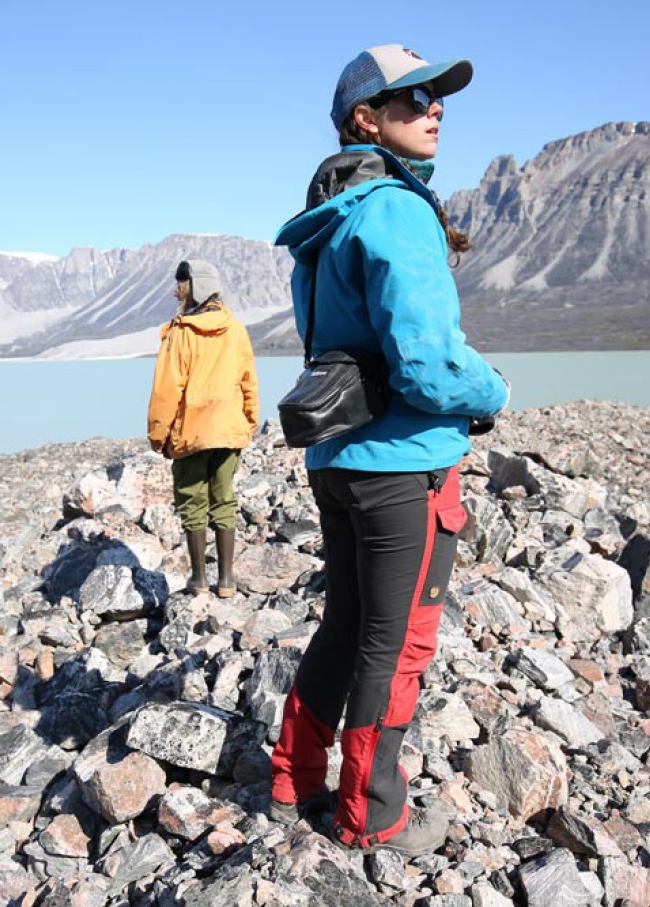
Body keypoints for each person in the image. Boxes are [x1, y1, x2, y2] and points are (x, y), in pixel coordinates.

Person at [268, 45, 510, 856]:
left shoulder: (328, 219)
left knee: (345, 625)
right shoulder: (399, 211)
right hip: (404, 464)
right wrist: (494, 391)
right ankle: (372, 813)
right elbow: (429, 364)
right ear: (366, 119)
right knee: (396, 641)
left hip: (337, 461)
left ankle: (292, 778)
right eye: (414, 97)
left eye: (438, 97)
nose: (435, 108)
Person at [147, 260, 260, 597]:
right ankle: (226, 581)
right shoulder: (236, 329)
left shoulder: (180, 332)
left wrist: (158, 434)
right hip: (229, 429)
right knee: (224, 498)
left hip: (192, 431)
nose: (176, 291)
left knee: (192, 501)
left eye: (181, 284)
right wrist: (249, 422)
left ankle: (198, 580)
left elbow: (167, 388)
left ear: (195, 287)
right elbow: (248, 381)